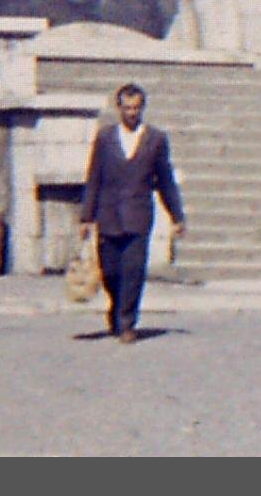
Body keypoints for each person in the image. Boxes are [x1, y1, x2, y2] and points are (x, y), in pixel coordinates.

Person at [77, 84, 185, 345]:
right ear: (119, 108)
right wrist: (86, 217)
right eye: (127, 108)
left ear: (142, 108)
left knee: (133, 272)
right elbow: (94, 177)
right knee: (110, 272)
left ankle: (127, 323)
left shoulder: (155, 139)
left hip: (138, 215)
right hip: (109, 214)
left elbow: (165, 180)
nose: (132, 113)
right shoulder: (105, 137)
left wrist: (177, 215)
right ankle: (116, 309)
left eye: (136, 108)